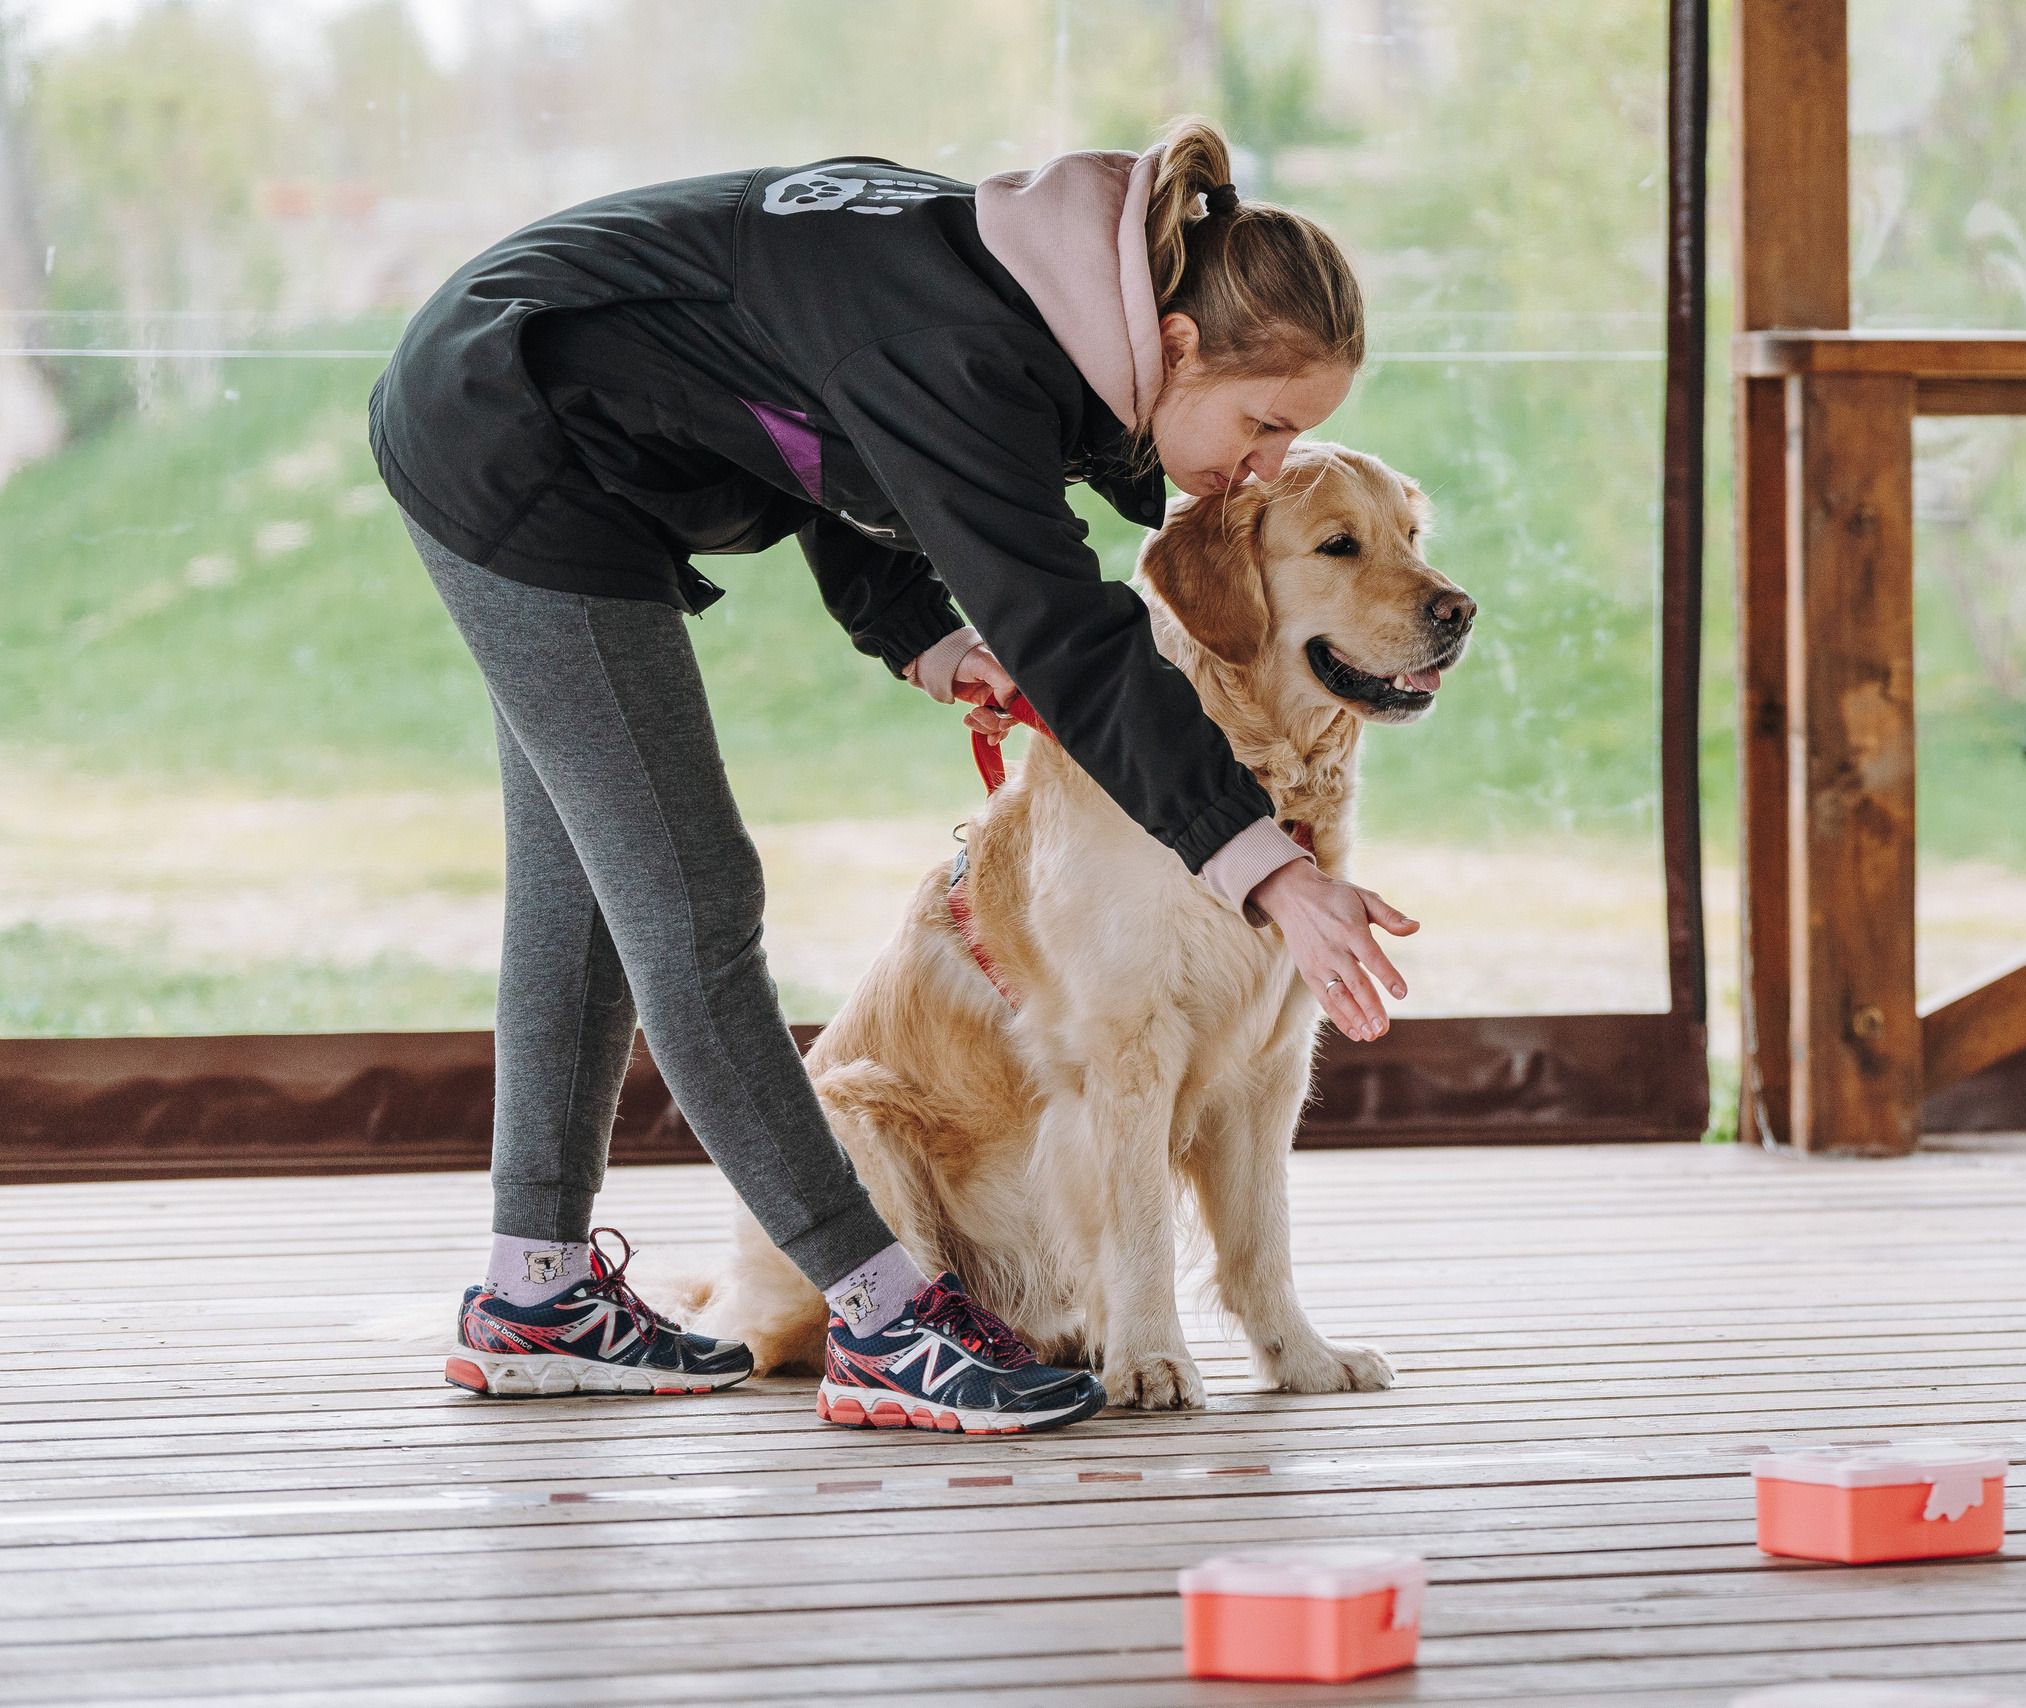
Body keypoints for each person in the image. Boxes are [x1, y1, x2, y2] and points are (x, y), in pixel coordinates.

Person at [372, 117, 1419, 1434]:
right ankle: (881, 1316)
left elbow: (814, 432)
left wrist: (918, 632)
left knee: (585, 890)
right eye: (1267, 425)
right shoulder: (979, 344)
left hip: (540, 415)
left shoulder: (1011, 298)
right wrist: (1270, 867)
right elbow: (1079, 645)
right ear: (1186, 343)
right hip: (510, 435)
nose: (1267, 463)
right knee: (695, 899)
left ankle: (536, 1298)